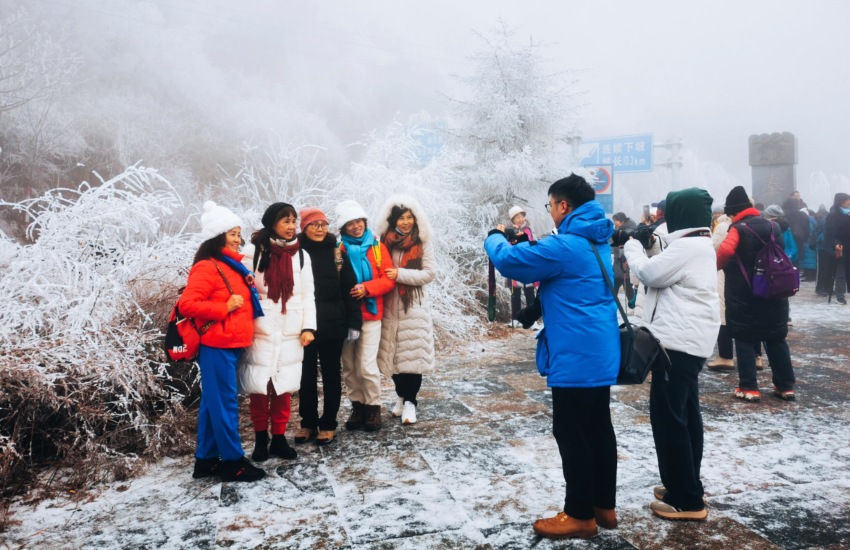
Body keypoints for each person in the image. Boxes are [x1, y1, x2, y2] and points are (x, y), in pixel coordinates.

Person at [485, 174, 619, 540]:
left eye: (551, 206)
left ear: (564, 206)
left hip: (576, 354)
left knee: (571, 431)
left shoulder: (567, 246)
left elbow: (511, 261)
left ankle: (579, 514)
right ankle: (603, 507)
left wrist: (494, 237)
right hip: (600, 350)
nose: (552, 214)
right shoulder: (598, 241)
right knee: (598, 428)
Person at [624, 188, 719, 522]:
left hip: (676, 346)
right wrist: (650, 243)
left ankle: (686, 500)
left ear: (679, 215)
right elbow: (666, 261)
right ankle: (686, 483)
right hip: (687, 343)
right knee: (686, 416)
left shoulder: (690, 248)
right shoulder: (698, 243)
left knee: (669, 421)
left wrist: (633, 246)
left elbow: (649, 273)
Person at [180, 201, 265, 482]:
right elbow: (188, 304)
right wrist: (224, 308)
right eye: (232, 234)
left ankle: (205, 460)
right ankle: (233, 461)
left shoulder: (230, 266)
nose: (238, 239)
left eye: (239, 234)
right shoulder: (207, 266)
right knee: (225, 403)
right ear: (217, 237)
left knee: (212, 404)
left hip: (230, 343)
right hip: (215, 345)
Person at [238, 203, 317, 462]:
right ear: (272, 223)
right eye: (286, 221)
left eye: (294, 221)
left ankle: (279, 439)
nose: (292, 226)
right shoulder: (253, 252)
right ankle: (261, 440)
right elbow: (242, 289)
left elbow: (308, 295)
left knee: (284, 389)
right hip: (260, 330)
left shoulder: (302, 255)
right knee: (260, 388)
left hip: (291, 331)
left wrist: (308, 327)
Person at [716, 186, 796, 402]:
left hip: (747, 295)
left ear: (734, 212)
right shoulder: (773, 227)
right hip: (774, 292)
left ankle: (749, 387)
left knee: (744, 338)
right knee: (776, 339)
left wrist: (717, 266)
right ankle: (785, 386)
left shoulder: (738, 229)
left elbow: (724, 252)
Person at [295, 208, 362, 446]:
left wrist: (354, 323)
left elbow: (350, 289)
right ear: (304, 227)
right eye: (314, 225)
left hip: (333, 323)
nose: (320, 229)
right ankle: (308, 422)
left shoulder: (337, 252)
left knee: (332, 375)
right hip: (305, 325)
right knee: (306, 376)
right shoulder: (296, 253)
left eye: (323, 224)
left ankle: (328, 423)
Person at [335, 200, 395, 432]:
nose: (356, 226)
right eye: (350, 224)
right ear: (343, 228)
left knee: (367, 364)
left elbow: (388, 279)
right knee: (349, 364)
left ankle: (373, 407)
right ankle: (357, 405)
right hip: (347, 316)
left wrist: (367, 288)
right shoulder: (338, 250)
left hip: (370, 314)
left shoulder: (378, 248)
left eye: (359, 221)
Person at [376, 195, 436, 425]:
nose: (406, 222)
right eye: (401, 218)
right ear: (393, 221)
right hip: (390, 304)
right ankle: (400, 396)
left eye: (410, 217)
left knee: (412, 356)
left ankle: (411, 401)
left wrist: (400, 274)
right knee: (393, 354)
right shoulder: (383, 242)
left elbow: (429, 273)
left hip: (414, 306)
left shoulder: (423, 241)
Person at [707, 206, 735, 371]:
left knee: (723, 314)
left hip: (725, 274)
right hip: (750, 276)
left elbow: (713, 249)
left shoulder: (724, 227)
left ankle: (725, 356)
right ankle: (756, 357)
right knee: (748, 316)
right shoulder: (757, 225)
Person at [505, 205, 539, 328]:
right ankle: (515, 319)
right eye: (517, 217)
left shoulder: (529, 230)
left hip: (528, 265)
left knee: (530, 293)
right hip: (515, 266)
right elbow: (507, 247)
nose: (520, 219)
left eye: (521, 216)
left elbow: (535, 243)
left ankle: (532, 321)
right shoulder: (510, 231)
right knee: (515, 294)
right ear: (513, 220)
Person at [824, 192, 850, 304]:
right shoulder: (834, 215)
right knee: (841, 272)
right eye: (847, 200)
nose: (849, 202)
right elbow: (831, 233)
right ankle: (840, 295)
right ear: (841, 201)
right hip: (842, 247)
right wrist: (836, 244)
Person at [611, 212, 636, 303]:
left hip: (623, 266)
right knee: (627, 287)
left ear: (621, 221)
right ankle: (632, 305)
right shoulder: (621, 230)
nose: (614, 224)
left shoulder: (627, 231)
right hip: (620, 266)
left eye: (615, 221)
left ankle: (613, 305)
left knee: (614, 289)